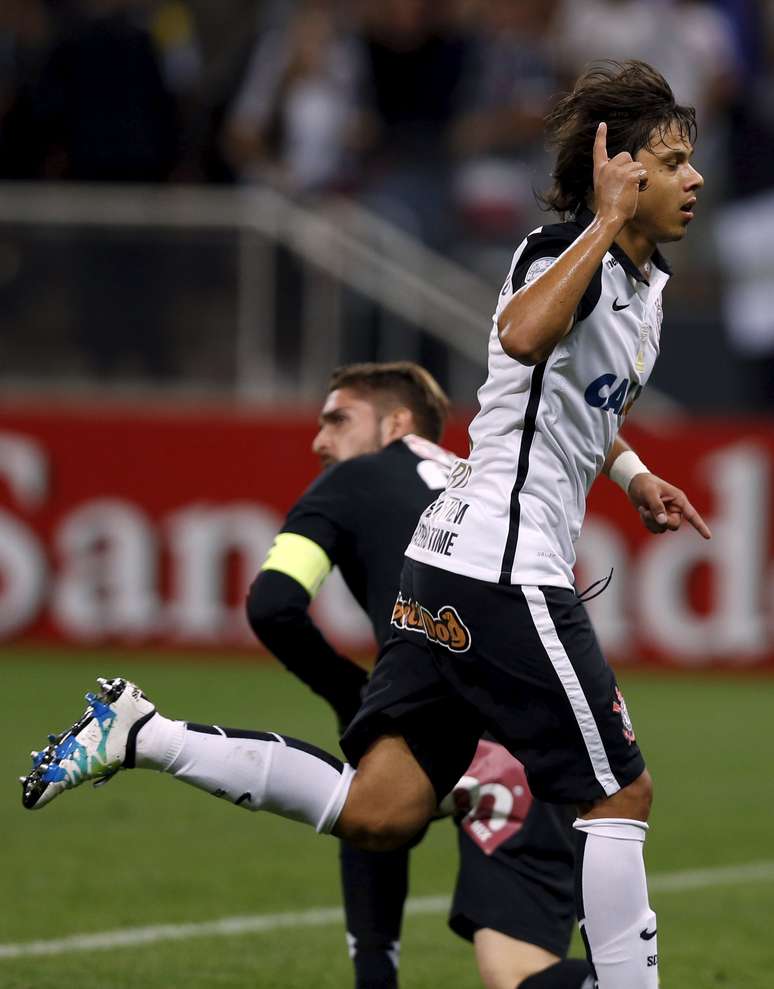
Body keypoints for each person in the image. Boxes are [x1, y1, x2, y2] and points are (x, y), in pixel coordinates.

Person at [20, 61, 711, 989]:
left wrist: (629, 471)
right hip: (502, 564)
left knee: (382, 809)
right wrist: (602, 219)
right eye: (670, 161)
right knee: (620, 790)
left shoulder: (646, 286)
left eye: (690, 160)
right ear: (618, 171)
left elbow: (573, 398)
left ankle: (144, 734)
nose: (694, 178)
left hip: (445, 562)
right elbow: (519, 339)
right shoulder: (559, 252)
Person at [245, 360, 592, 989]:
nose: (319, 440)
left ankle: (374, 977)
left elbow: (273, 603)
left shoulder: (356, 479)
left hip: (452, 725)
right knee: (519, 975)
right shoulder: (480, 480)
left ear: (397, 423)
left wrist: (350, 693)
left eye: (339, 419)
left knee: (362, 796)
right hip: (541, 743)